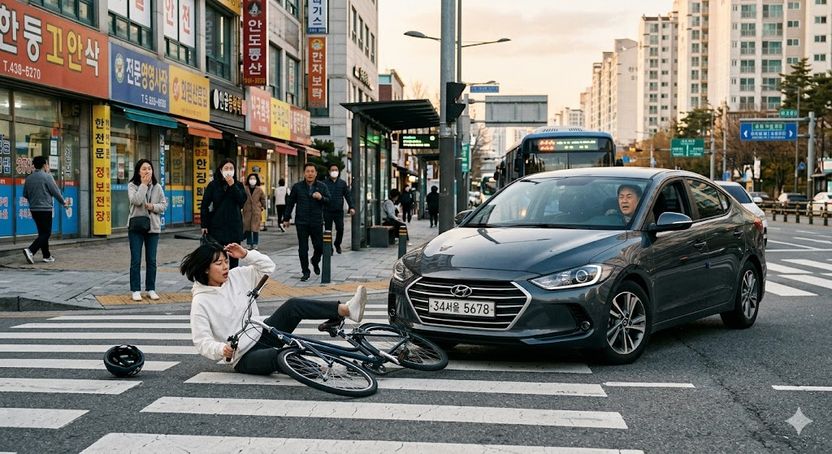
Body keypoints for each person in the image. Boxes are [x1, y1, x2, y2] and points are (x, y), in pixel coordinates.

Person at [183, 241, 368, 375]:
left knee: (293, 305)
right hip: (244, 356)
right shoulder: (201, 301)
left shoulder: (236, 276)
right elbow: (201, 341)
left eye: (226, 261)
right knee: (279, 356)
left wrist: (246, 254)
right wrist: (221, 349)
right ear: (205, 269)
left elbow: (268, 267)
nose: (225, 267)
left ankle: (347, 310)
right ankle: (325, 370)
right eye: (219, 264)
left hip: (263, 332)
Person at [127, 159, 168, 302]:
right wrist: (143, 185)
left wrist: (153, 207)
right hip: (136, 227)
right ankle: (136, 290)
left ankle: (151, 289)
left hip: (153, 227)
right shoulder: (132, 185)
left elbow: (164, 205)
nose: (147, 171)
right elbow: (136, 201)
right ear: (138, 171)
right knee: (135, 260)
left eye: (149, 168)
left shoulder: (157, 187)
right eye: (144, 169)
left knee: (151, 260)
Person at [283, 163, 331, 282]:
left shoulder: (322, 186)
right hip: (302, 222)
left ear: (316, 173)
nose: (310, 174)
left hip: (316, 221)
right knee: (303, 248)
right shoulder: (297, 187)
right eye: (308, 171)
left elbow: (329, 200)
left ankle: (315, 260)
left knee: (319, 247)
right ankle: (305, 271)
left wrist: (321, 198)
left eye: (312, 171)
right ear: (304, 173)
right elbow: (290, 203)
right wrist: (286, 218)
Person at [200, 159, 247, 269]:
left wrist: (232, 185)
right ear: (221, 170)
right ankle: (219, 277)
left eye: (231, 168)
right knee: (217, 257)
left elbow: (242, 201)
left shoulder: (238, 185)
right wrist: (204, 224)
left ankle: (233, 278)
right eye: (226, 168)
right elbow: (204, 205)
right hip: (217, 226)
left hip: (234, 226)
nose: (229, 171)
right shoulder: (213, 185)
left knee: (233, 259)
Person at [22, 156, 68, 264]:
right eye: (47, 164)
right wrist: (63, 202)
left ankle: (46, 256)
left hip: (34, 209)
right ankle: (30, 250)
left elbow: (25, 194)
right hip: (45, 209)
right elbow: (55, 191)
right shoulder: (47, 177)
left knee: (42, 233)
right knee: (46, 233)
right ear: (44, 165)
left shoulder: (29, 178)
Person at [322, 163, 355, 254]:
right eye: (332, 170)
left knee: (340, 229)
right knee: (328, 230)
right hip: (327, 210)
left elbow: (348, 196)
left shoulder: (342, 183)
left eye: (336, 170)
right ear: (329, 171)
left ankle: (337, 244)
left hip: (338, 210)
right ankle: (329, 248)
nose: (334, 172)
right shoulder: (324, 183)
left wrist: (351, 207)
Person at [242, 173, 267, 250]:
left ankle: (255, 243)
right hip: (247, 210)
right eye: (251, 178)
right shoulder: (245, 189)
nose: (252, 180)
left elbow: (263, 199)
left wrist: (263, 206)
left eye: (254, 178)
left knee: (255, 228)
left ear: (256, 180)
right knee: (248, 228)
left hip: (256, 210)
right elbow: (242, 198)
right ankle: (249, 243)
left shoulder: (259, 190)